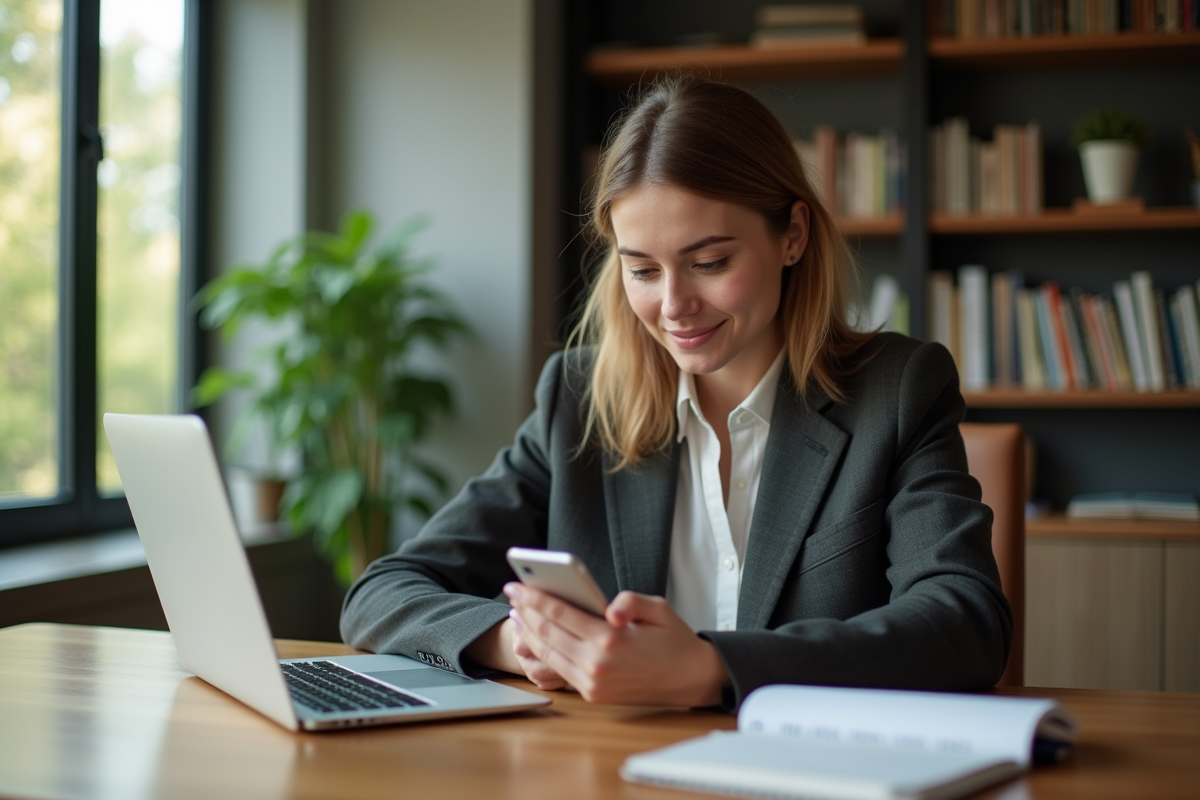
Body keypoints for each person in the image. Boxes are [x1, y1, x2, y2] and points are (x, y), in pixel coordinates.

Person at [340, 75, 1012, 711]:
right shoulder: (577, 400)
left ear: (794, 236)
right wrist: (526, 642)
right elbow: (382, 593)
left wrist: (710, 667)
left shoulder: (898, 390)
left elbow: (964, 621)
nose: (674, 306)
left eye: (710, 263)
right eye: (642, 269)